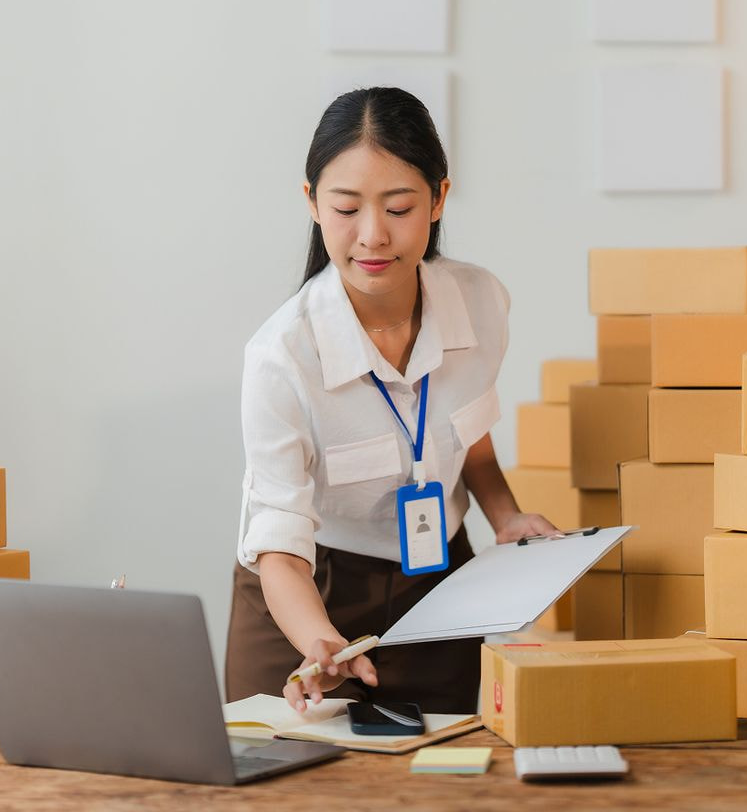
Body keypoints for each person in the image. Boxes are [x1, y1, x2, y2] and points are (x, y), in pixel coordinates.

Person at [225, 87, 559, 715]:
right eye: (346, 208)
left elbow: (467, 434)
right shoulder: (281, 356)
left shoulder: (483, 302)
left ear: (438, 198)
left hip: (439, 585)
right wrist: (321, 644)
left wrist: (506, 517)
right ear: (312, 203)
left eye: (400, 207)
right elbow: (279, 546)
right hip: (305, 594)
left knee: (443, 776)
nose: (372, 236)